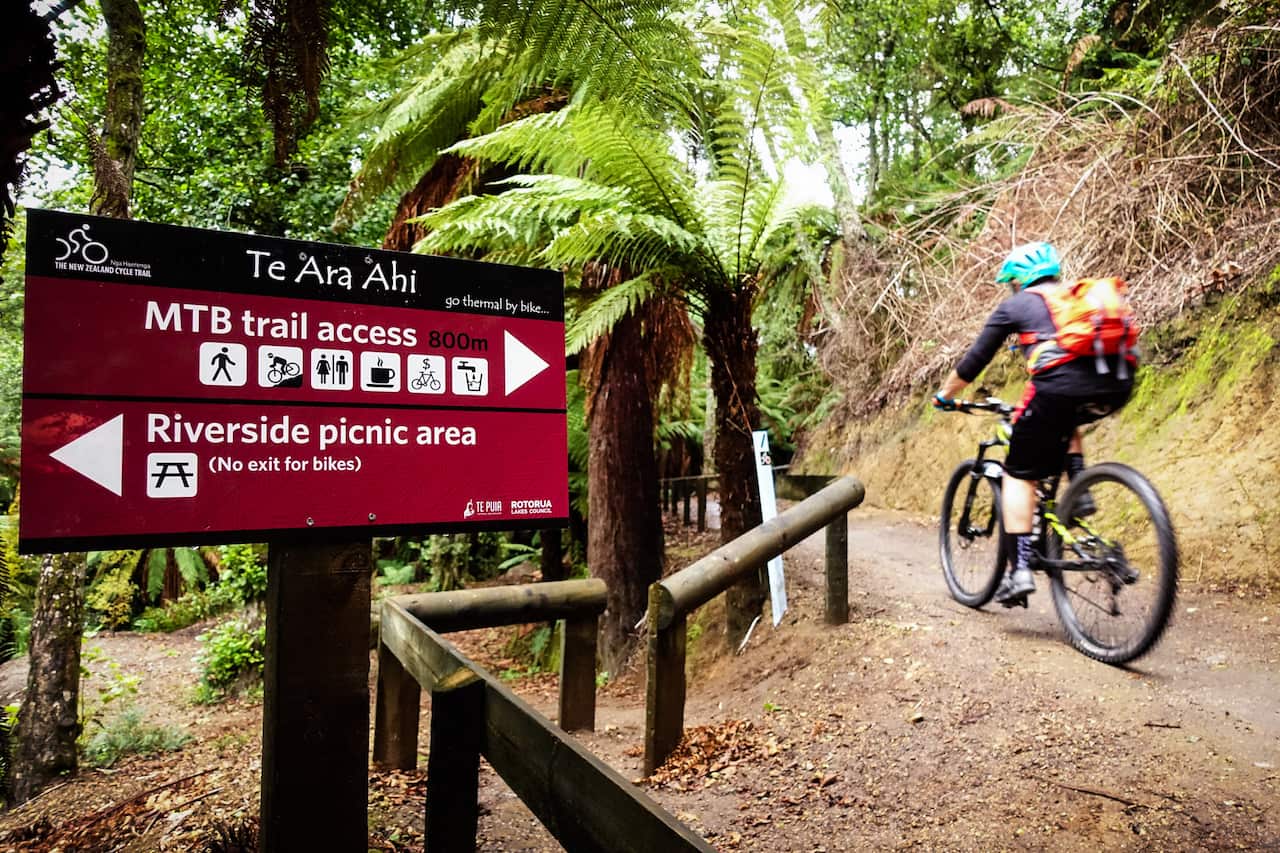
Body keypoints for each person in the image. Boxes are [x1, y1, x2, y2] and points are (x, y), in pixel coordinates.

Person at [932, 242, 1136, 607]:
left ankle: (1020, 569)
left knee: (1017, 474)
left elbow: (974, 361)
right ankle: (1080, 490)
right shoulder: (1074, 299)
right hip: (1117, 380)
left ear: (1017, 281)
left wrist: (945, 395)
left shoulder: (1017, 304)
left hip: (1059, 386)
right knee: (1065, 418)